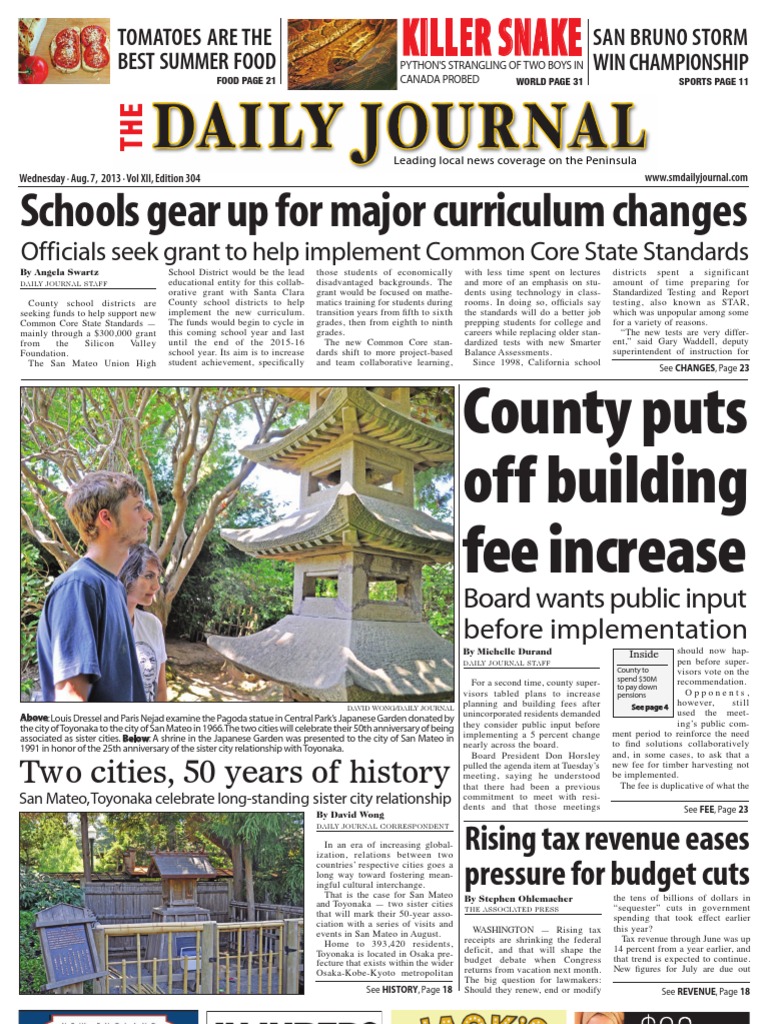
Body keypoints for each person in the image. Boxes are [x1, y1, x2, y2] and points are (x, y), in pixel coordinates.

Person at [36, 470, 153, 702]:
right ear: (106, 518)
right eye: (138, 507)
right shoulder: (79, 586)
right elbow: (71, 698)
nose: (148, 515)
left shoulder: (114, 587)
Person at [119, 544, 168, 702]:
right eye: (148, 576)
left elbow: (160, 689)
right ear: (127, 575)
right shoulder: (102, 624)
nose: (156, 586)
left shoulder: (153, 625)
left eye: (157, 577)